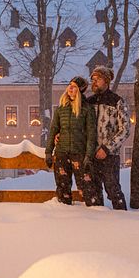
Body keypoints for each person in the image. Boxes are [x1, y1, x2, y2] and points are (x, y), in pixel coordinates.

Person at [45, 77, 98, 206]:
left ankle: (95, 215)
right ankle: (64, 215)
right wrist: (48, 151)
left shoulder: (87, 109)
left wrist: (89, 155)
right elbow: (53, 129)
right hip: (62, 152)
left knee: (86, 187)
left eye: (74, 86)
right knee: (63, 187)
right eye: (69, 85)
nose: (70, 88)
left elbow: (92, 134)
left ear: (80, 90)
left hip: (79, 153)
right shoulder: (61, 108)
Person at [86, 66, 130, 210]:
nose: (94, 82)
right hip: (90, 154)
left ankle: (123, 219)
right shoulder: (88, 102)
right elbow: (79, 126)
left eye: (97, 79)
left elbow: (125, 129)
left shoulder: (117, 101)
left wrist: (106, 148)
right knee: (93, 192)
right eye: (93, 79)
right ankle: (98, 225)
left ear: (106, 80)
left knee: (113, 190)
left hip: (109, 155)